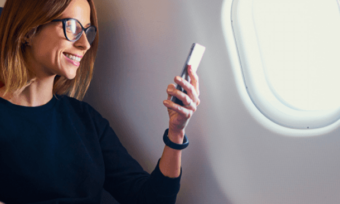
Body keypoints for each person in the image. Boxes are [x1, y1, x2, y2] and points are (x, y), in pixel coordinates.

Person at [0, 0, 200, 204]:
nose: (85, 44)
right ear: (28, 31)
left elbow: (150, 200)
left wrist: (176, 133)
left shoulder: (85, 120)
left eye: (87, 32)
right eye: (72, 27)